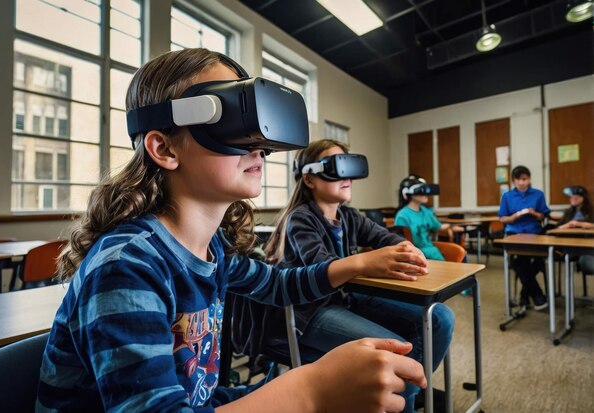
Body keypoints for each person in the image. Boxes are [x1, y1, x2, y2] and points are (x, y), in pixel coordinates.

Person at [35, 48, 426, 413]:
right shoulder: (127, 266)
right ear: (165, 149)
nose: (258, 146)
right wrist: (312, 390)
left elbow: (280, 285)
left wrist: (356, 268)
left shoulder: (213, 250)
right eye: (232, 123)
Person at [264, 140, 454, 413]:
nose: (347, 177)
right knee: (399, 353)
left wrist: (406, 249)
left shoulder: (350, 216)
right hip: (310, 312)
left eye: (349, 168)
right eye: (336, 168)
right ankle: (405, 391)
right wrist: (367, 262)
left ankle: (407, 389)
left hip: (345, 298)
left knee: (440, 317)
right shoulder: (300, 218)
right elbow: (320, 267)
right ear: (309, 178)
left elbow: (387, 238)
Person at [498, 165, 551, 313]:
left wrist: (534, 213)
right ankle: (537, 295)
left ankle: (524, 296)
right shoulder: (507, 196)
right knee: (520, 261)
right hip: (514, 234)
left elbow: (543, 216)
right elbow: (502, 219)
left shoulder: (538, 194)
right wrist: (514, 216)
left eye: (525, 179)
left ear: (529, 179)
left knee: (529, 262)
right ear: (514, 181)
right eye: (518, 179)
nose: (522, 182)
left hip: (534, 233)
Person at [394, 175, 464, 261]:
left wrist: (451, 227)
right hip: (416, 255)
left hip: (432, 251)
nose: (425, 193)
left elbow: (437, 226)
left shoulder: (425, 211)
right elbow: (400, 243)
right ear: (407, 194)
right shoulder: (403, 216)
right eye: (421, 190)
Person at [557, 185, 594, 274]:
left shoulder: (591, 211)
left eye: (576, 198)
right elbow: (558, 227)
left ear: (583, 198)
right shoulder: (568, 212)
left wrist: (579, 224)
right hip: (570, 245)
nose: (572, 199)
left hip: (588, 245)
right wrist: (568, 225)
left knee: (587, 258)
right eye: (571, 198)